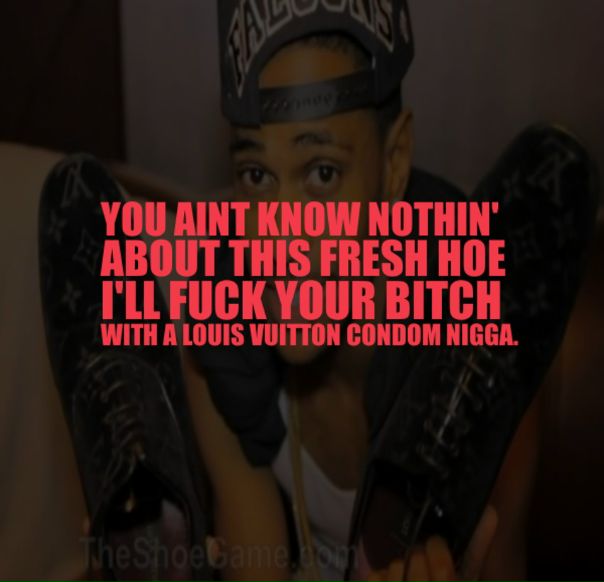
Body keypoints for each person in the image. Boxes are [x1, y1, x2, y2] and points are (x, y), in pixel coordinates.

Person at [182, 3, 543, 580]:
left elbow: (504, 561)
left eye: (322, 172)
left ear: (393, 164)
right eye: (257, 176)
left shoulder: (483, 355)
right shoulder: (216, 331)